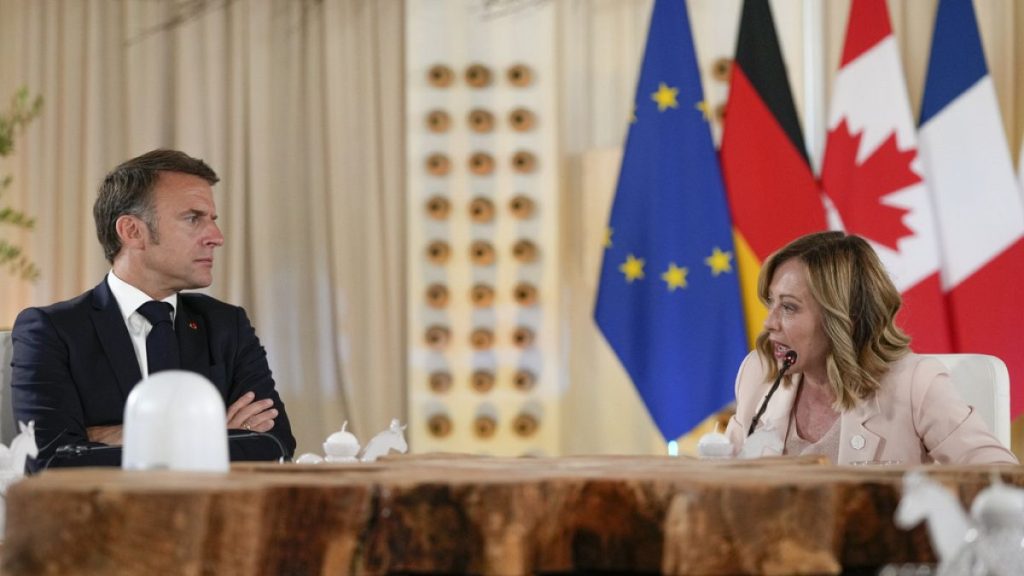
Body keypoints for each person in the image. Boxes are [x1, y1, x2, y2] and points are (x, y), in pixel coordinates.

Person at [11, 149, 296, 469]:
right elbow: (52, 462)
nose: (216, 237)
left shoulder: (227, 324)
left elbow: (275, 445)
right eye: (193, 218)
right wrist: (213, 436)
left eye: (212, 219)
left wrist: (118, 436)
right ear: (132, 231)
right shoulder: (50, 331)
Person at [725, 231, 1017, 465]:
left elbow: (1000, 479)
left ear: (843, 316)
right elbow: (726, 478)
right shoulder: (758, 373)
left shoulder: (915, 384)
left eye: (789, 307)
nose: (769, 324)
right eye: (771, 303)